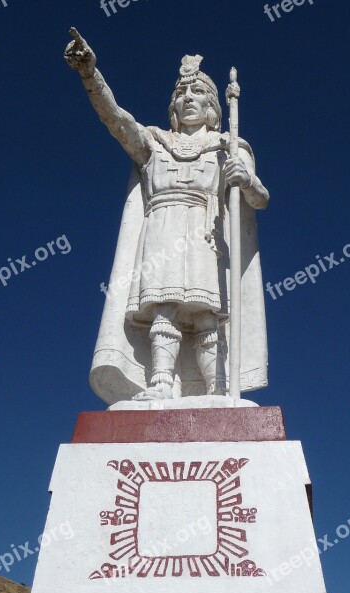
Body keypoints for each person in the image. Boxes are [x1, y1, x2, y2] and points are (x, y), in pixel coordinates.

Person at [64, 29, 270, 403]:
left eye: (198, 93)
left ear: (213, 106)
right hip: (161, 228)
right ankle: (160, 382)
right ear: (173, 108)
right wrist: (90, 76)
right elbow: (117, 121)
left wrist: (245, 178)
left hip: (206, 232)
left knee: (207, 313)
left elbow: (259, 200)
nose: (188, 97)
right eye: (181, 93)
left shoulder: (230, 146)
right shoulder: (155, 142)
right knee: (165, 307)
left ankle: (218, 388)